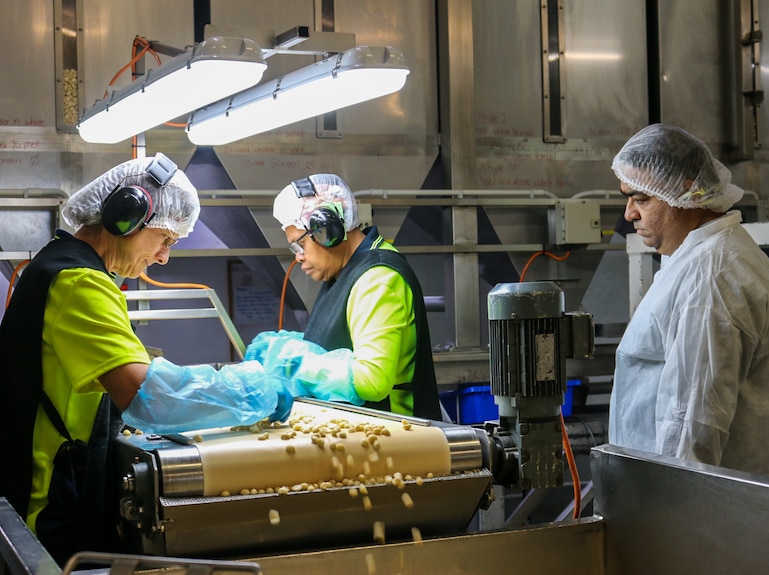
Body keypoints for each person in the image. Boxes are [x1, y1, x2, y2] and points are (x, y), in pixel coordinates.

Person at [0, 154, 290, 565]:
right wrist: (253, 391)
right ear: (126, 215)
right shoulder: (77, 282)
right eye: (165, 239)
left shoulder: (68, 271)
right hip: (44, 502)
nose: (163, 257)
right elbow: (151, 397)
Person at [607, 123, 769, 482]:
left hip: (703, 517)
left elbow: (691, 425)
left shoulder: (711, 276)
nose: (629, 214)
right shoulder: (697, 259)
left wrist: (666, 520)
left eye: (641, 198)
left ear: (685, 191)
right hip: (705, 511)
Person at [245, 173, 442, 420]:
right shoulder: (344, 272)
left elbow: (370, 379)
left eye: (300, 245)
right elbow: (346, 338)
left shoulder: (378, 279)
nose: (298, 257)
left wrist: (297, 361)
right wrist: (296, 343)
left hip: (393, 440)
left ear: (327, 231)